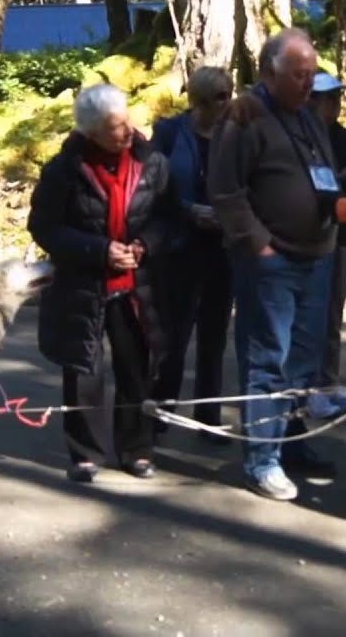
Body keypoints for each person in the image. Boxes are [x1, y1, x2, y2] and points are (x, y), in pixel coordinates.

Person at [208, 29, 346, 501]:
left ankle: (291, 445)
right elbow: (226, 191)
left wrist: (332, 216)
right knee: (268, 360)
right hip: (272, 262)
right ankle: (261, 461)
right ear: (271, 72)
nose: (308, 82)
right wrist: (259, 244)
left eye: (312, 73)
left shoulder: (308, 117)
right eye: (299, 74)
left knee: (304, 361)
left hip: (317, 257)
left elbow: (321, 173)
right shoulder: (246, 115)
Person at [27, 83, 178, 482]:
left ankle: (136, 449)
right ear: (91, 133)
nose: (127, 130)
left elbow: (170, 218)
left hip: (138, 283)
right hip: (84, 285)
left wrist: (145, 245)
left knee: (137, 368)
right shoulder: (64, 170)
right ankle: (85, 453)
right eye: (115, 127)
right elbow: (44, 227)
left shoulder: (153, 163)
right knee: (83, 371)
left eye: (127, 120)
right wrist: (98, 249)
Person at [149, 66, 235, 444]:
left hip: (222, 247)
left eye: (229, 94)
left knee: (214, 337)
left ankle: (208, 417)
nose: (227, 102)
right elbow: (150, 186)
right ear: (199, 101)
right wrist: (188, 211)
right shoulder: (169, 133)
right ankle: (160, 413)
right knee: (174, 336)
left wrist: (228, 216)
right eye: (219, 97)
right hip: (178, 248)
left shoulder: (235, 133)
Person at [307, 72, 346, 391]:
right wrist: (337, 180)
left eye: (337, 98)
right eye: (328, 98)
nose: (334, 104)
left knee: (333, 313)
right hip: (306, 238)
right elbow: (306, 186)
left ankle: (327, 382)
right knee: (307, 315)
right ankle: (303, 382)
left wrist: (339, 182)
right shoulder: (300, 137)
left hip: (340, 236)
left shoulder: (345, 139)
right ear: (311, 101)